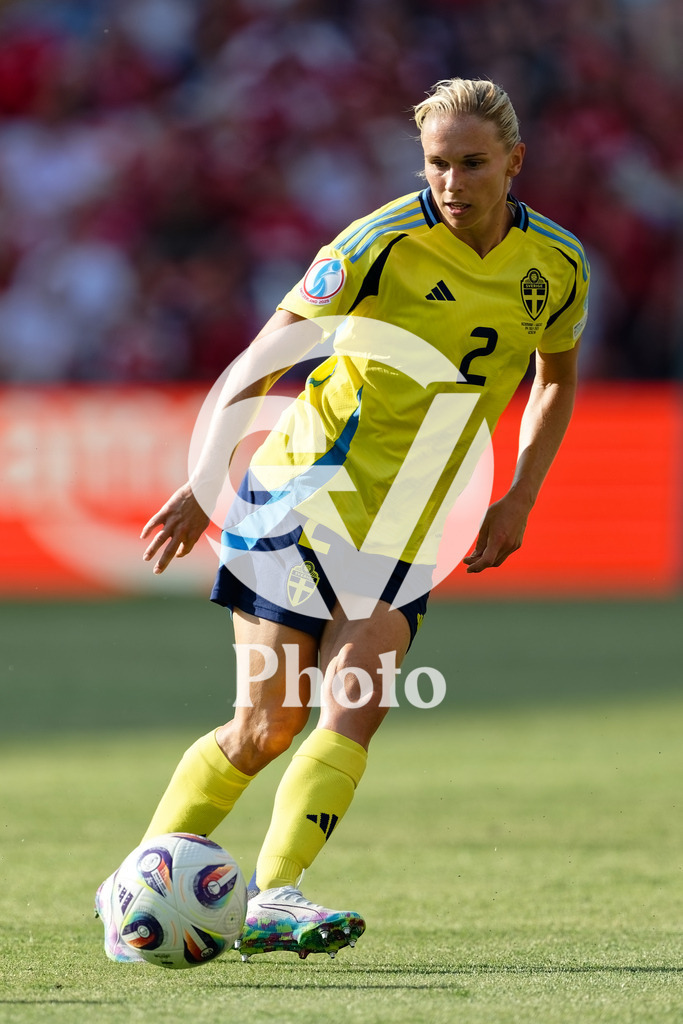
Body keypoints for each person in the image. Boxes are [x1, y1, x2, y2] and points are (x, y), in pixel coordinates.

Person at [96, 77, 589, 963]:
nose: (451, 181)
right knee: (265, 728)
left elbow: (552, 377)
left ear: (514, 163)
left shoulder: (555, 265)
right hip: (300, 499)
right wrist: (208, 479)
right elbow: (266, 356)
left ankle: (274, 897)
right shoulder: (375, 244)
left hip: (409, 526)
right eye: (438, 163)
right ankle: (137, 879)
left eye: (471, 164)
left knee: (354, 708)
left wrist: (519, 495)